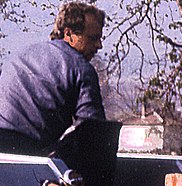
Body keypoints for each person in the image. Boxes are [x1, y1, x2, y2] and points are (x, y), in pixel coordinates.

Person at [0, 2, 106, 155]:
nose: (99, 45)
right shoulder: (81, 68)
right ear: (68, 34)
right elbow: (93, 131)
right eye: (93, 38)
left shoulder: (18, 56)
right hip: (32, 152)